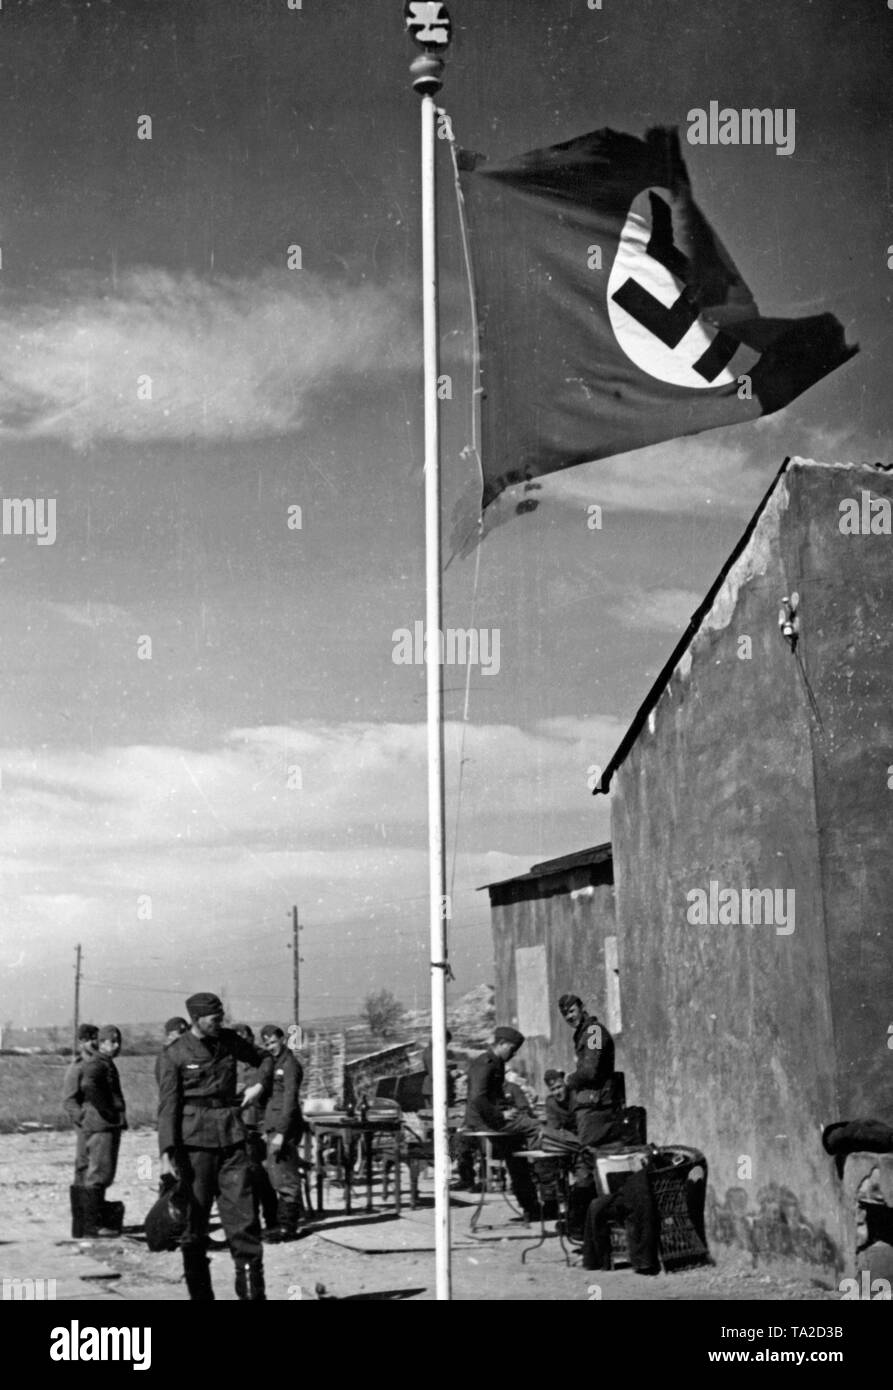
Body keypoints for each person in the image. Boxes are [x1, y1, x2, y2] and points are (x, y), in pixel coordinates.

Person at [157, 992, 267, 1301]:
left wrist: (257, 1086)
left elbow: (266, 1059)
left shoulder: (230, 1041)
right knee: (194, 1227)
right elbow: (167, 1107)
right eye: (214, 1020)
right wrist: (166, 1155)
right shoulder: (174, 1054)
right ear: (196, 1020)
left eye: (221, 1019)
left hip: (232, 1139)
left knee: (244, 1222)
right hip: (194, 1148)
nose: (220, 1024)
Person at [559, 993, 624, 1238]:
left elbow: (591, 1070)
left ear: (582, 1007)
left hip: (597, 1108)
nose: (569, 1016)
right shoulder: (584, 1033)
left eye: (572, 1011)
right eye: (565, 1014)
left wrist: (569, 1079)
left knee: (587, 1163)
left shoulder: (594, 1032)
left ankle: (583, 1228)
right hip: (590, 1107)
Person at [463, 1025, 541, 1220]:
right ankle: (542, 1176)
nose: (513, 1054)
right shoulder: (486, 1063)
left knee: (516, 1157)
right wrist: (500, 1116)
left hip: (490, 1119)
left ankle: (531, 1206)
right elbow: (478, 1098)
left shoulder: (495, 1062)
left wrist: (507, 1109)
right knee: (535, 1127)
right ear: (501, 1044)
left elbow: (493, 1097)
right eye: (512, 1049)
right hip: (485, 1121)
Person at [257, 1024, 305, 1242]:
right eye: (267, 1044)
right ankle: (283, 1225)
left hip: (284, 1129)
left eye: (274, 1042)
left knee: (287, 1178)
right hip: (273, 1126)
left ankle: (288, 1228)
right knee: (277, 1175)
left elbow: (289, 1102)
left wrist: (281, 1133)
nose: (271, 1047)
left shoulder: (290, 1065)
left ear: (283, 1040)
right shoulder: (274, 1063)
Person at [80, 1025, 127, 1238]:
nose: (116, 1046)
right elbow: (89, 1085)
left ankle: (93, 1223)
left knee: (102, 1173)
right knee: (98, 1173)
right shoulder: (98, 1063)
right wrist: (107, 1111)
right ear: (101, 1042)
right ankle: (91, 1226)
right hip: (101, 1126)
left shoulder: (105, 1063)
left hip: (106, 1125)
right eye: (112, 1041)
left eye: (118, 1041)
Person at [234, 1024, 278, 1234]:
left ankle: (271, 1221)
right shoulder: (232, 1063)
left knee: (264, 1177)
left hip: (260, 1125)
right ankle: (253, 1224)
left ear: (251, 1039)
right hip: (240, 1126)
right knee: (248, 1178)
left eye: (245, 1037)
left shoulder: (263, 1062)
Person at [62, 1023, 100, 1236]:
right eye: (89, 1039)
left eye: (95, 1038)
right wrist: (83, 1120)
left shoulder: (99, 1064)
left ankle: (92, 1221)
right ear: (81, 1042)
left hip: (102, 1125)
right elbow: (69, 1101)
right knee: (83, 1170)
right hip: (86, 1127)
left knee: (97, 1171)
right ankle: (81, 1225)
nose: (93, 1043)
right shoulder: (77, 1068)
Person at [154, 1017, 189, 1086]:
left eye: (187, 1032)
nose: (184, 1035)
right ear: (169, 1035)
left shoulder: (189, 1052)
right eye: (180, 1032)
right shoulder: (166, 1056)